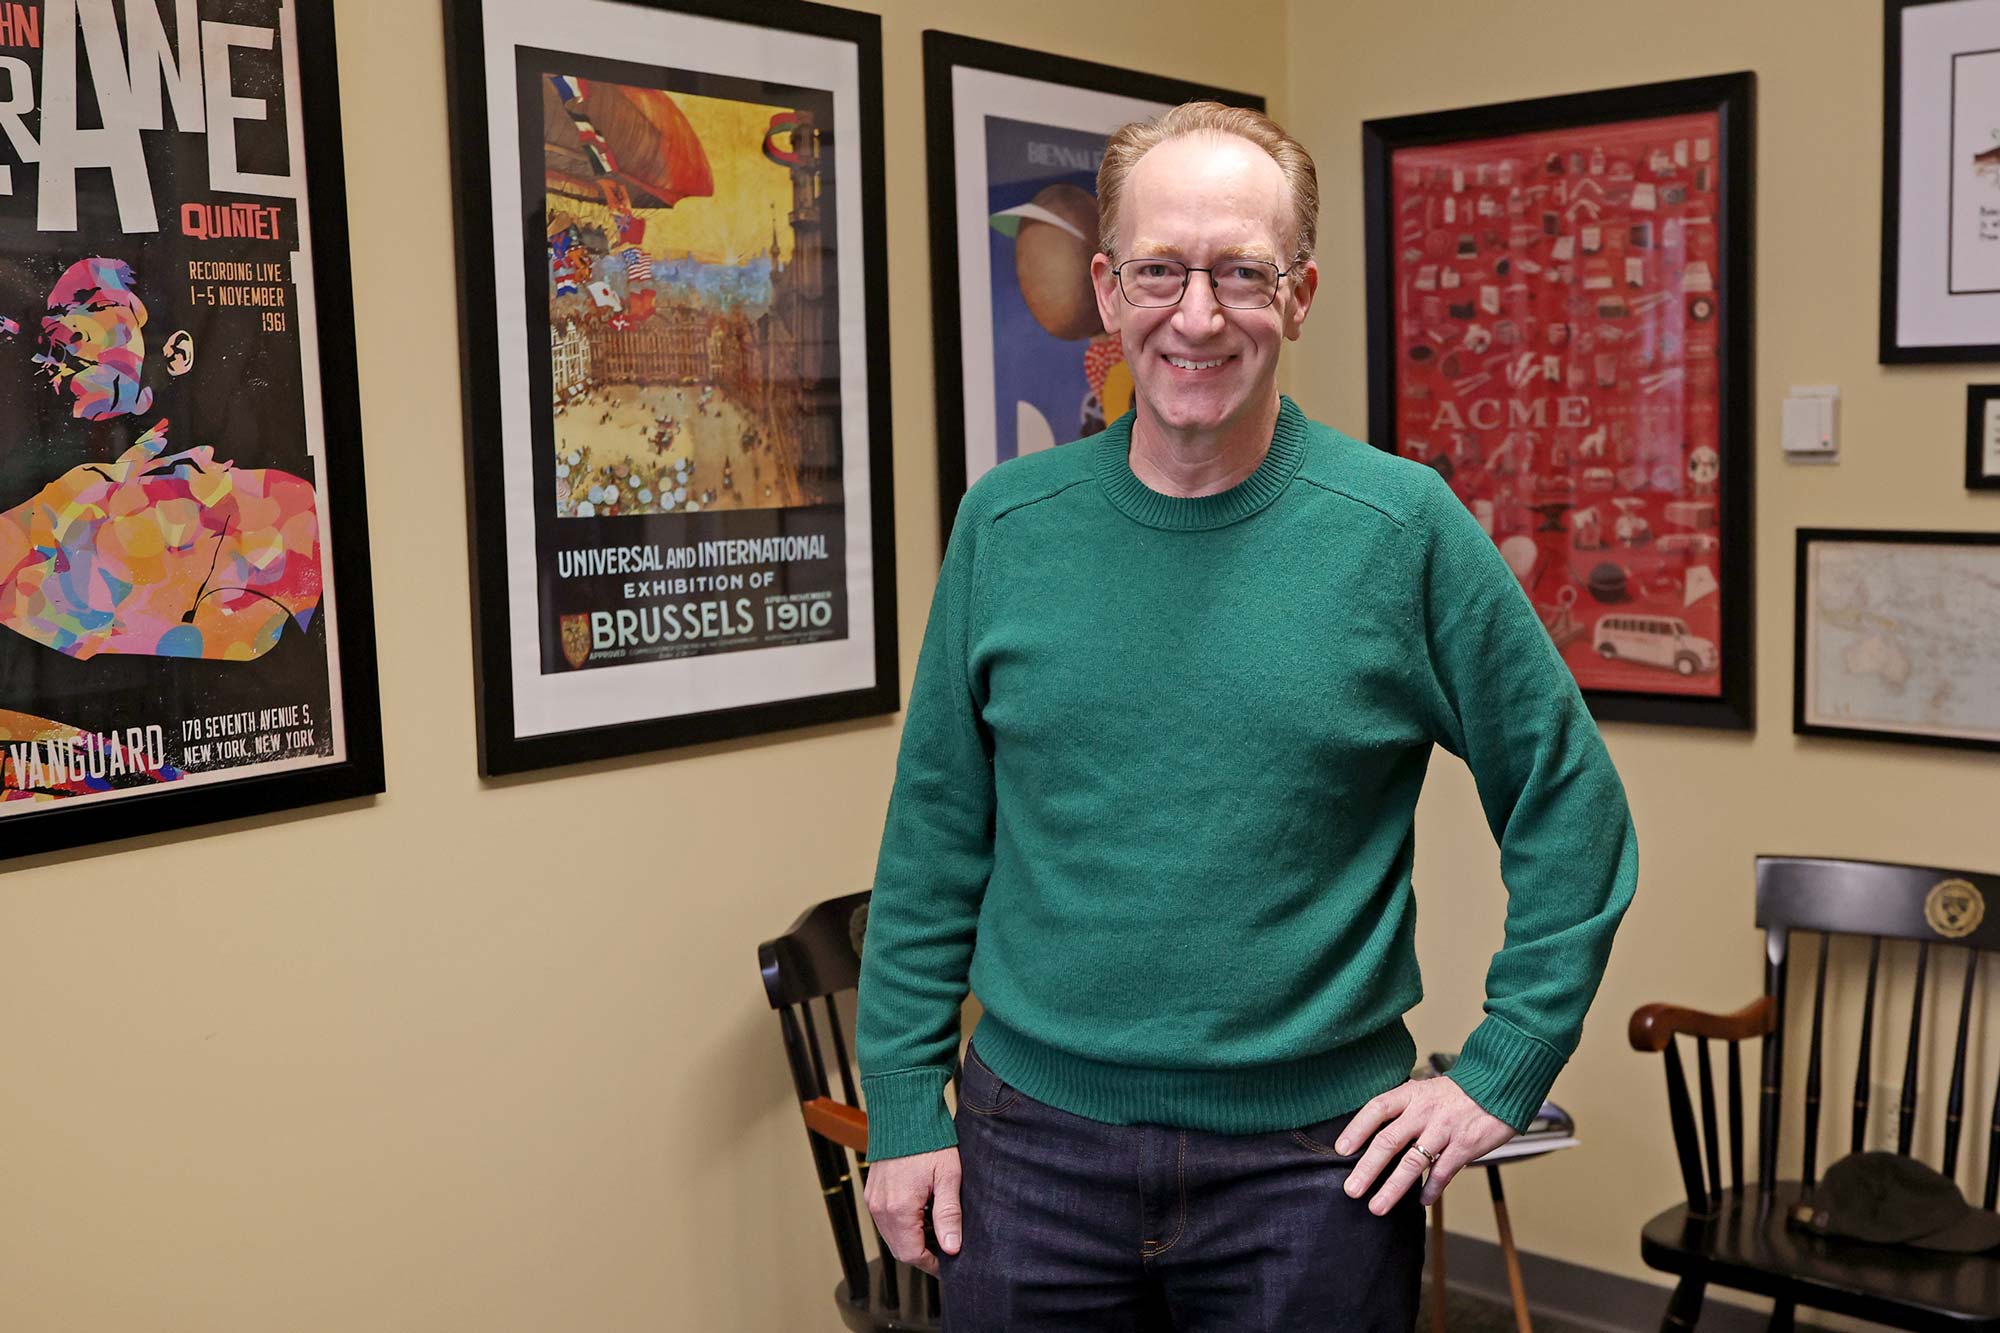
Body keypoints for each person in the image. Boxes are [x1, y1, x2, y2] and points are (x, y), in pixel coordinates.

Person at [854, 102, 1637, 1330]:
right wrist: (900, 1101)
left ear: (1302, 292)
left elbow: (1566, 801)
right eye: (1160, 270)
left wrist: (1503, 1066)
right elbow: (934, 838)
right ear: (1108, 288)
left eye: (1241, 273)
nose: (1198, 315)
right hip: (1031, 1153)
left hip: (1315, 1169)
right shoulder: (1004, 529)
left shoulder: (1400, 529)